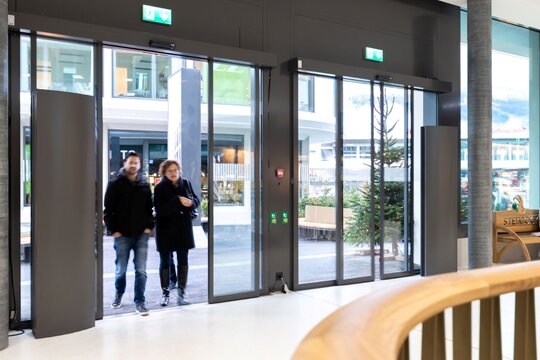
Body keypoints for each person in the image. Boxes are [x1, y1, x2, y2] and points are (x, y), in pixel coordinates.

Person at [104, 151, 154, 316]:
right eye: (131, 162)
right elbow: (107, 211)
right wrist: (114, 231)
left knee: (141, 270)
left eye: (136, 163)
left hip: (141, 235)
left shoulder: (144, 185)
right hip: (122, 235)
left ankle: (140, 301)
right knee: (121, 270)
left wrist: (148, 228)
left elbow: (149, 209)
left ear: (139, 166)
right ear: (125, 163)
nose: (133, 165)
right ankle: (119, 294)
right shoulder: (114, 184)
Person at [154, 160, 200, 306]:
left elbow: (196, 199)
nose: (174, 173)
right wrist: (178, 200)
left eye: (176, 170)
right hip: (165, 230)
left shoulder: (185, 183)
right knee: (165, 262)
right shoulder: (160, 187)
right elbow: (160, 211)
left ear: (179, 170)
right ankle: (165, 293)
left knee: (183, 261)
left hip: (183, 229)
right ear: (164, 173)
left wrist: (192, 202)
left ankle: (181, 294)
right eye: (170, 171)